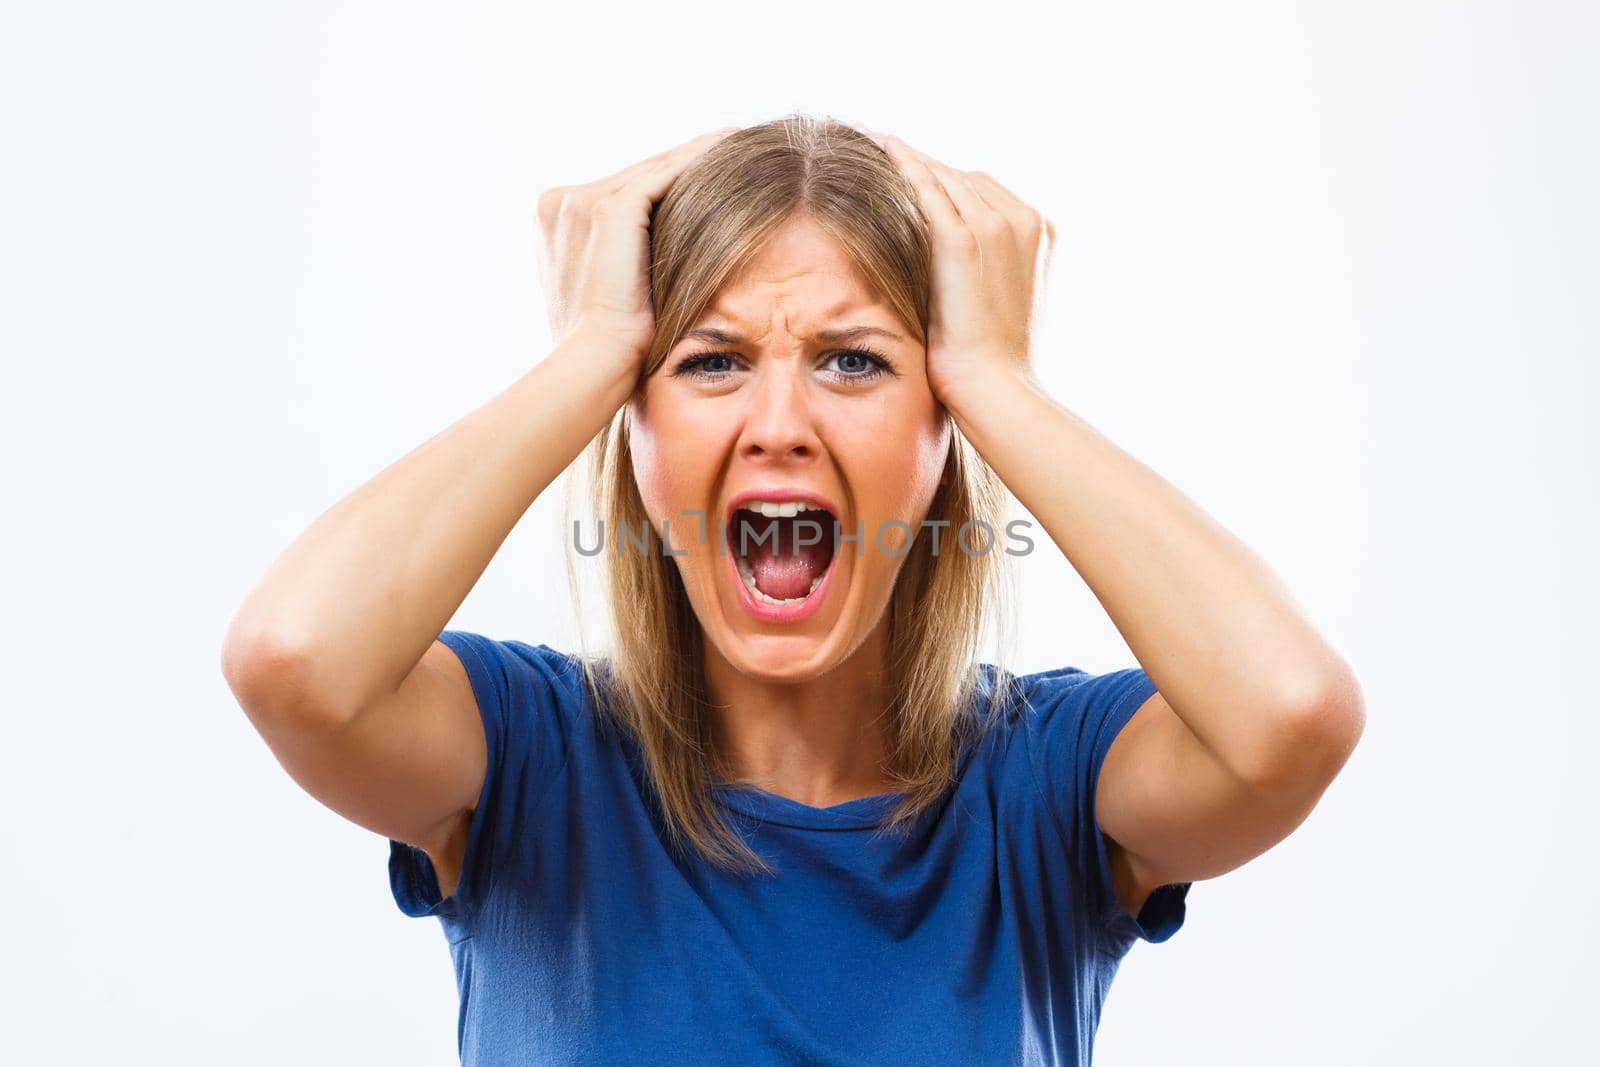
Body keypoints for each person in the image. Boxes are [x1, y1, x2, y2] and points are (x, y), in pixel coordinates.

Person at [221, 114, 1365, 1065]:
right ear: (635, 428)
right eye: (710, 361)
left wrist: (1000, 380)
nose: (778, 426)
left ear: (943, 434)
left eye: (854, 360)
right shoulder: (530, 757)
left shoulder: (1047, 781)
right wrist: (585, 350)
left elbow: (1290, 717)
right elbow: (294, 659)